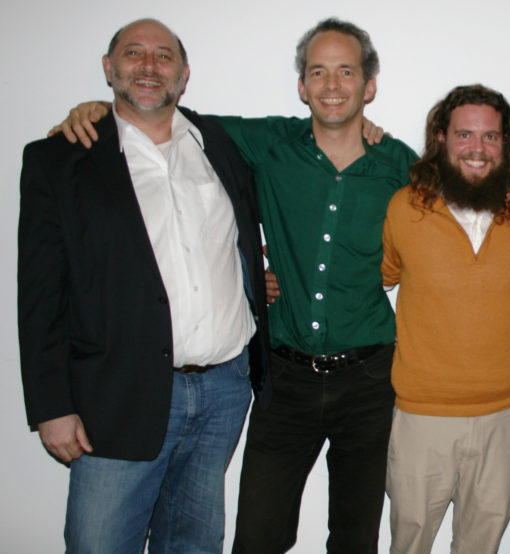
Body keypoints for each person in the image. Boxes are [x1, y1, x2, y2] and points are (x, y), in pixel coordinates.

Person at [52, 18, 417, 553]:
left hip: (369, 379)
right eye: (318, 71)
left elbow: (459, 201)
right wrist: (99, 109)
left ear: (370, 85)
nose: (332, 85)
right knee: (257, 536)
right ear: (301, 85)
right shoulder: (264, 143)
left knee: (356, 534)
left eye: (347, 71)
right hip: (283, 377)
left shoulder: (399, 164)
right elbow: (163, 114)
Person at [18, 18, 268, 553]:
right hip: (117, 394)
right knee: (101, 544)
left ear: (184, 75)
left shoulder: (217, 142)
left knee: (194, 544)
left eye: (163, 57)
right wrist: (50, 405)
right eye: (134, 54)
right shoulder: (61, 159)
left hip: (225, 389)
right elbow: (39, 293)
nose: (149, 66)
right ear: (109, 69)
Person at [380, 84, 510, 554]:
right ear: (441, 138)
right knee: (409, 544)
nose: (477, 149)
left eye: (491, 137)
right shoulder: (403, 208)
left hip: (506, 415)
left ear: (505, 144)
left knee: (481, 547)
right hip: (421, 416)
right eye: (465, 134)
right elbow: (374, 279)